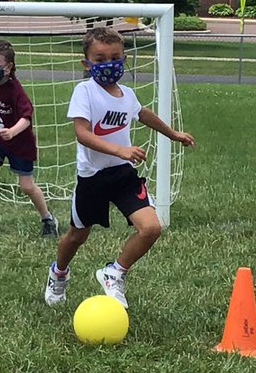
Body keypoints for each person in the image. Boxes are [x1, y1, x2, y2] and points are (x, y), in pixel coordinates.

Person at [44, 25, 195, 308]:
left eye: (115, 57)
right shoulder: (85, 91)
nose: (108, 64)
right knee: (78, 235)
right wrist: (120, 149)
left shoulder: (126, 94)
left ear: (124, 59)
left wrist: (172, 134)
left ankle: (114, 273)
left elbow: (142, 113)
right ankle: (59, 273)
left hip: (123, 175)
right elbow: (82, 133)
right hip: (93, 178)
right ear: (86, 63)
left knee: (150, 228)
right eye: (100, 59)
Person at [0, 38, 59, 242]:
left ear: (8, 68)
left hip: (19, 141)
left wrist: (12, 132)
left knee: (26, 186)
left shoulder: (15, 89)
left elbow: (27, 116)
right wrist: (1, 132)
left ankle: (48, 219)